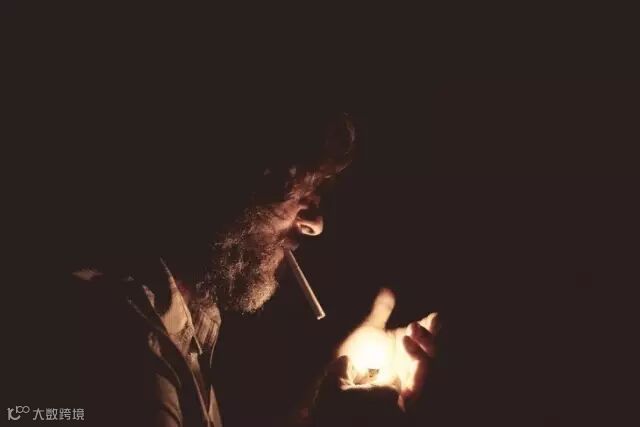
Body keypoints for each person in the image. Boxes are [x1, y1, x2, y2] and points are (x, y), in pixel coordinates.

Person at [30, 113, 438, 427]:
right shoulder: (121, 337)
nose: (316, 224)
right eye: (301, 193)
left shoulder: (195, 317)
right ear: (238, 179)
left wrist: (318, 409)